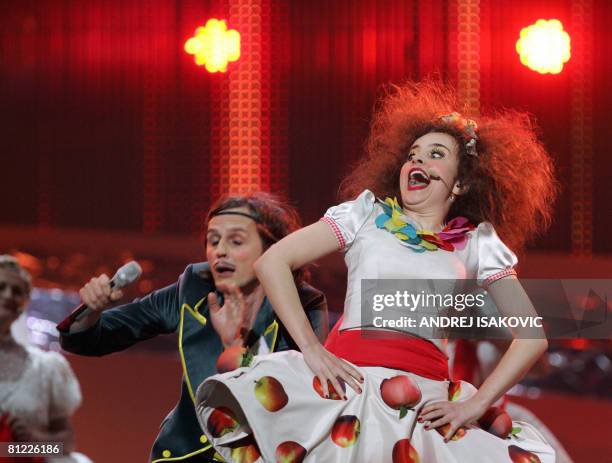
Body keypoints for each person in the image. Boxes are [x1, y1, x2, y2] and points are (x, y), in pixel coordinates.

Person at [195, 81, 558, 462]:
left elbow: (532, 337)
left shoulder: (478, 243)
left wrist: (476, 404)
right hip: (349, 387)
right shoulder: (364, 214)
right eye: (413, 154)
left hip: (424, 403)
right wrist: (312, 349)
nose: (418, 162)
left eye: (436, 155)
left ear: (462, 183)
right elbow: (272, 262)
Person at [58, 193, 329, 463]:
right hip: (185, 455)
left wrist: (237, 349)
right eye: (213, 240)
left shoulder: (305, 305)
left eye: (236, 241)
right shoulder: (193, 290)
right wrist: (92, 310)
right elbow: (90, 339)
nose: (220, 250)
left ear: (273, 251)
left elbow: (298, 403)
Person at [0, 255, 90, 463]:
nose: (7, 295)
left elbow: (66, 444)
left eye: (16, 291)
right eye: (1, 287)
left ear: (23, 303)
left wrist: (31, 442)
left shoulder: (45, 368)